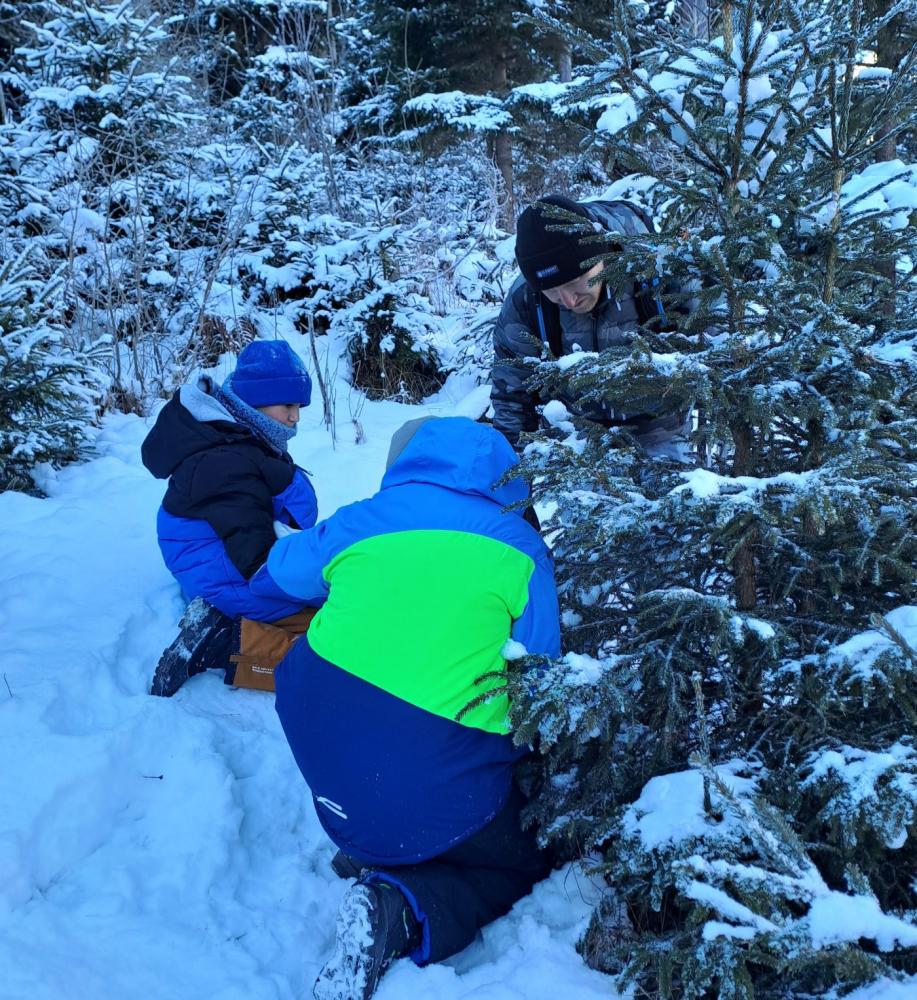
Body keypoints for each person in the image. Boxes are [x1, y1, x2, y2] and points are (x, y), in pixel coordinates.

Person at [251, 416, 560, 1000]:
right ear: (510, 480)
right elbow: (541, 685)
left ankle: (368, 839)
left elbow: (279, 572)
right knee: (526, 856)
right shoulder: (523, 551)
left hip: (319, 733)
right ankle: (405, 908)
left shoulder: (363, 519)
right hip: (432, 771)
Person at [141, 339, 318, 695]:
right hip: (225, 571)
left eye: (299, 406)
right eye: (287, 405)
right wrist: (317, 580)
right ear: (256, 401)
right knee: (334, 638)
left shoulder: (239, 438)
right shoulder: (225, 461)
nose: (295, 417)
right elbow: (256, 560)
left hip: (221, 561)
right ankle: (221, 644)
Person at [491, 193, 688, 452]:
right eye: (552, 291)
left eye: (575, 282)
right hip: (577, 431)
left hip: (662, 424)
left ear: (601, 257)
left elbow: (720, 345)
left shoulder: (657, 269)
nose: (568, 300)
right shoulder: (526, 299)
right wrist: (511, 462)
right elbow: (511, 395)